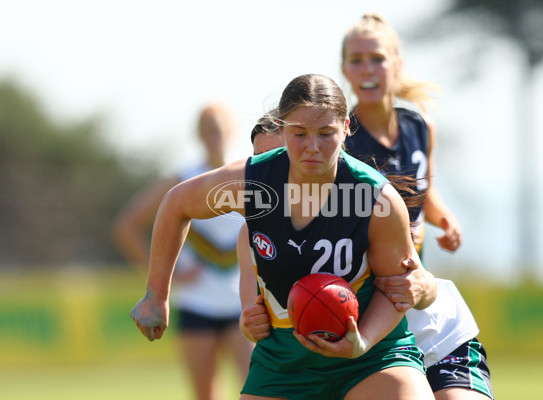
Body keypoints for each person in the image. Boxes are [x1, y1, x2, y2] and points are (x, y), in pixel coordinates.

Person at [130, 73, 437, 400]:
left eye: (326, 133)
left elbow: (397, 290)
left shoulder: (375, 199)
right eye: (299, 133)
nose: (313, 147)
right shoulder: (252, 185)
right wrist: (156, 294)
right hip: (283, 364)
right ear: (282, 126)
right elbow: (176, 204)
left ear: (346, 127)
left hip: (372, 359)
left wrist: (361, 342)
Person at [340, 14, 494, 399]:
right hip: (366, 303)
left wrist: (445, 218)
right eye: (356, 60)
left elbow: (424, 187)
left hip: (416, 293)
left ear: (397, 64)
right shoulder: (338, 140)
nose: (367, 68)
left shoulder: (419, 125)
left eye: (376, 57)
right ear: (344, 69)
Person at [113, 103, 253, 400]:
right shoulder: (183, 178)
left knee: (257, 389)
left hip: (242, 303)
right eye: (207, 129)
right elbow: (127, 227)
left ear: (230, 131)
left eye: (218, 128)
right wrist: (165, 277)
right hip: (195, 303)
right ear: (198, 135)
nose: (213, 136)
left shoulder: (250, 174)